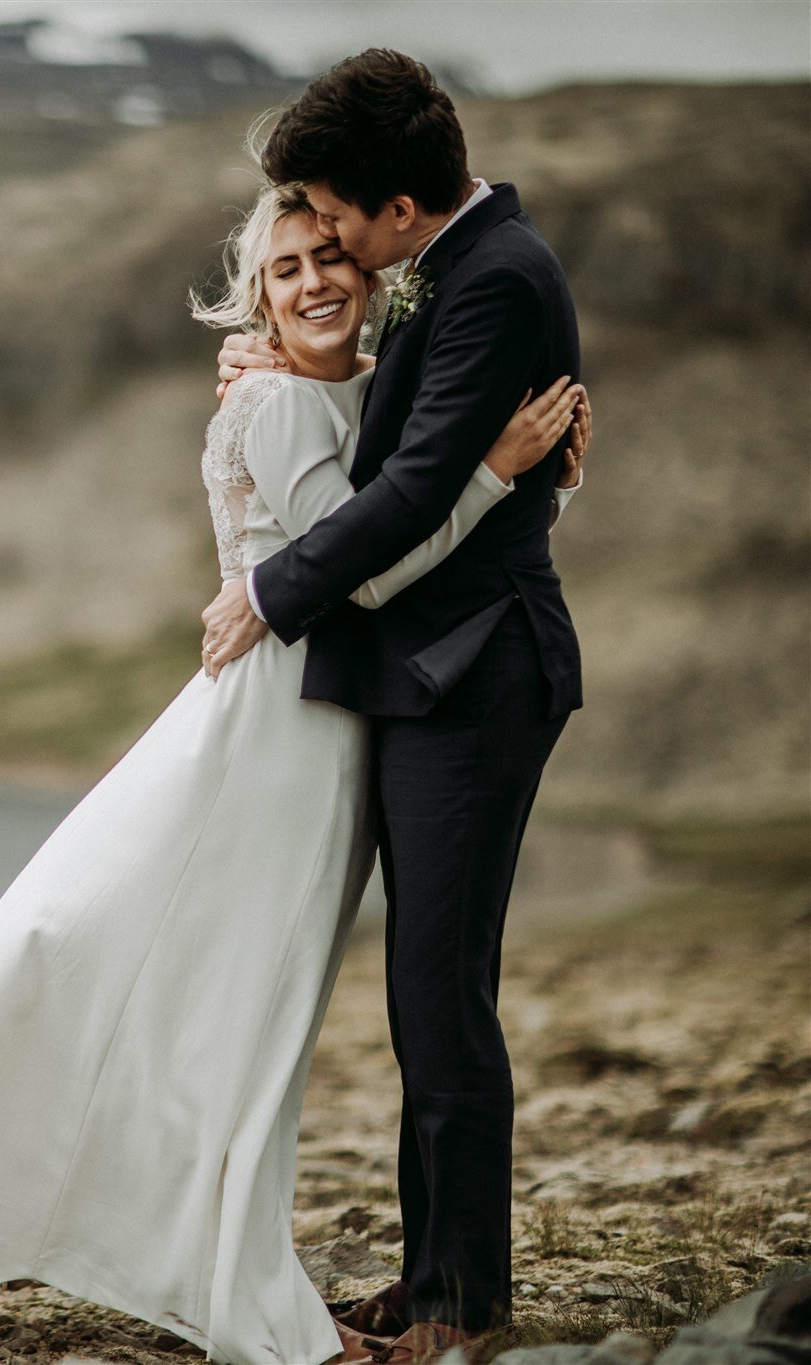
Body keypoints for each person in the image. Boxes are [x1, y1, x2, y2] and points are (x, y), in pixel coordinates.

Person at [0, 173, 587, 1365]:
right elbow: (358, 568)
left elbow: (405, 477)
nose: (314, 282)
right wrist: (492, 473)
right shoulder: (269, 405)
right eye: (284, 268)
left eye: (329, 258)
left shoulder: (362, 389)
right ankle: (236, 1296)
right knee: (205, 1013)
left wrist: (542, 468)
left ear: (372, 271)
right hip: (274, 743)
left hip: (317, 735)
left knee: (208, 1009)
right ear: (254, 298)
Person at [198, 49, 588, 1365]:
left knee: (439, 992)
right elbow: (398, 446)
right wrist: (285, 378)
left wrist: (272, 589)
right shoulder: (473, 267)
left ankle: (460, 1305)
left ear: (399, 215)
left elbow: (418, 491)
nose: (336, 251)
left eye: (337, 219)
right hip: (442, 668)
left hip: (477, 672)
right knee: (431, 988)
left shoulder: (494, 281)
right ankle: (437, 1277)